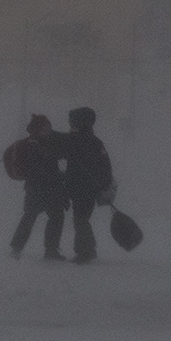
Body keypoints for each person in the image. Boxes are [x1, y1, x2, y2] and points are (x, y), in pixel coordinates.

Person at [8, 114, 68, 260]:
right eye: (46, 127)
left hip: (41, 189)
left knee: (43, 216)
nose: (49, 130)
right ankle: (47, 249)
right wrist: (59, 176)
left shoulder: (43, 142)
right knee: (38, 217)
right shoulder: (34, 145)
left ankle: (21, 247)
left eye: (49, 127)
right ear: (38, 129)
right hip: (39, 189)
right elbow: (39, 169)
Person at [62, 106, 114, 264]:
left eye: (72, 122)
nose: (70, 125)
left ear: (80, 123)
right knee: (81, 218)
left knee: (80, 219)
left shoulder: (77, 140)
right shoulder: (95, 142)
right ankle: (86, 250)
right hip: (90, 188)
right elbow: (106, 166)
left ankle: (87, 250)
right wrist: (104, 185)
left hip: (82, 188)